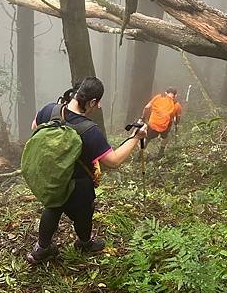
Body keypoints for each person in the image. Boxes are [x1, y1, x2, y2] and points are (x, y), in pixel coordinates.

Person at [26, 76, 147, 264]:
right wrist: (135, 137)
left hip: (54, 177)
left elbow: (35, 126)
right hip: (78, 183)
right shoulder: (89, 130)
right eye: (97, 103)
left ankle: (41, 249)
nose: (98, 107)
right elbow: (113, 161)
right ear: (91, 101)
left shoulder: (50, 109)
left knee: (52, 206)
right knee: (84, 211)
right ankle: (84, 243)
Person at [141, 87, 180, 158]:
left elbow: (146, 107)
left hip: (152, 124)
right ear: (175, 95)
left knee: (147, 139)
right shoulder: (177, 105)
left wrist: (143, 118)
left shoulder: (158, 97)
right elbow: (177, 119)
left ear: (166, 93)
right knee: (165, 136)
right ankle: (161, 152)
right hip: (165, 127)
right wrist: (176, 123)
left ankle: (140, 153)